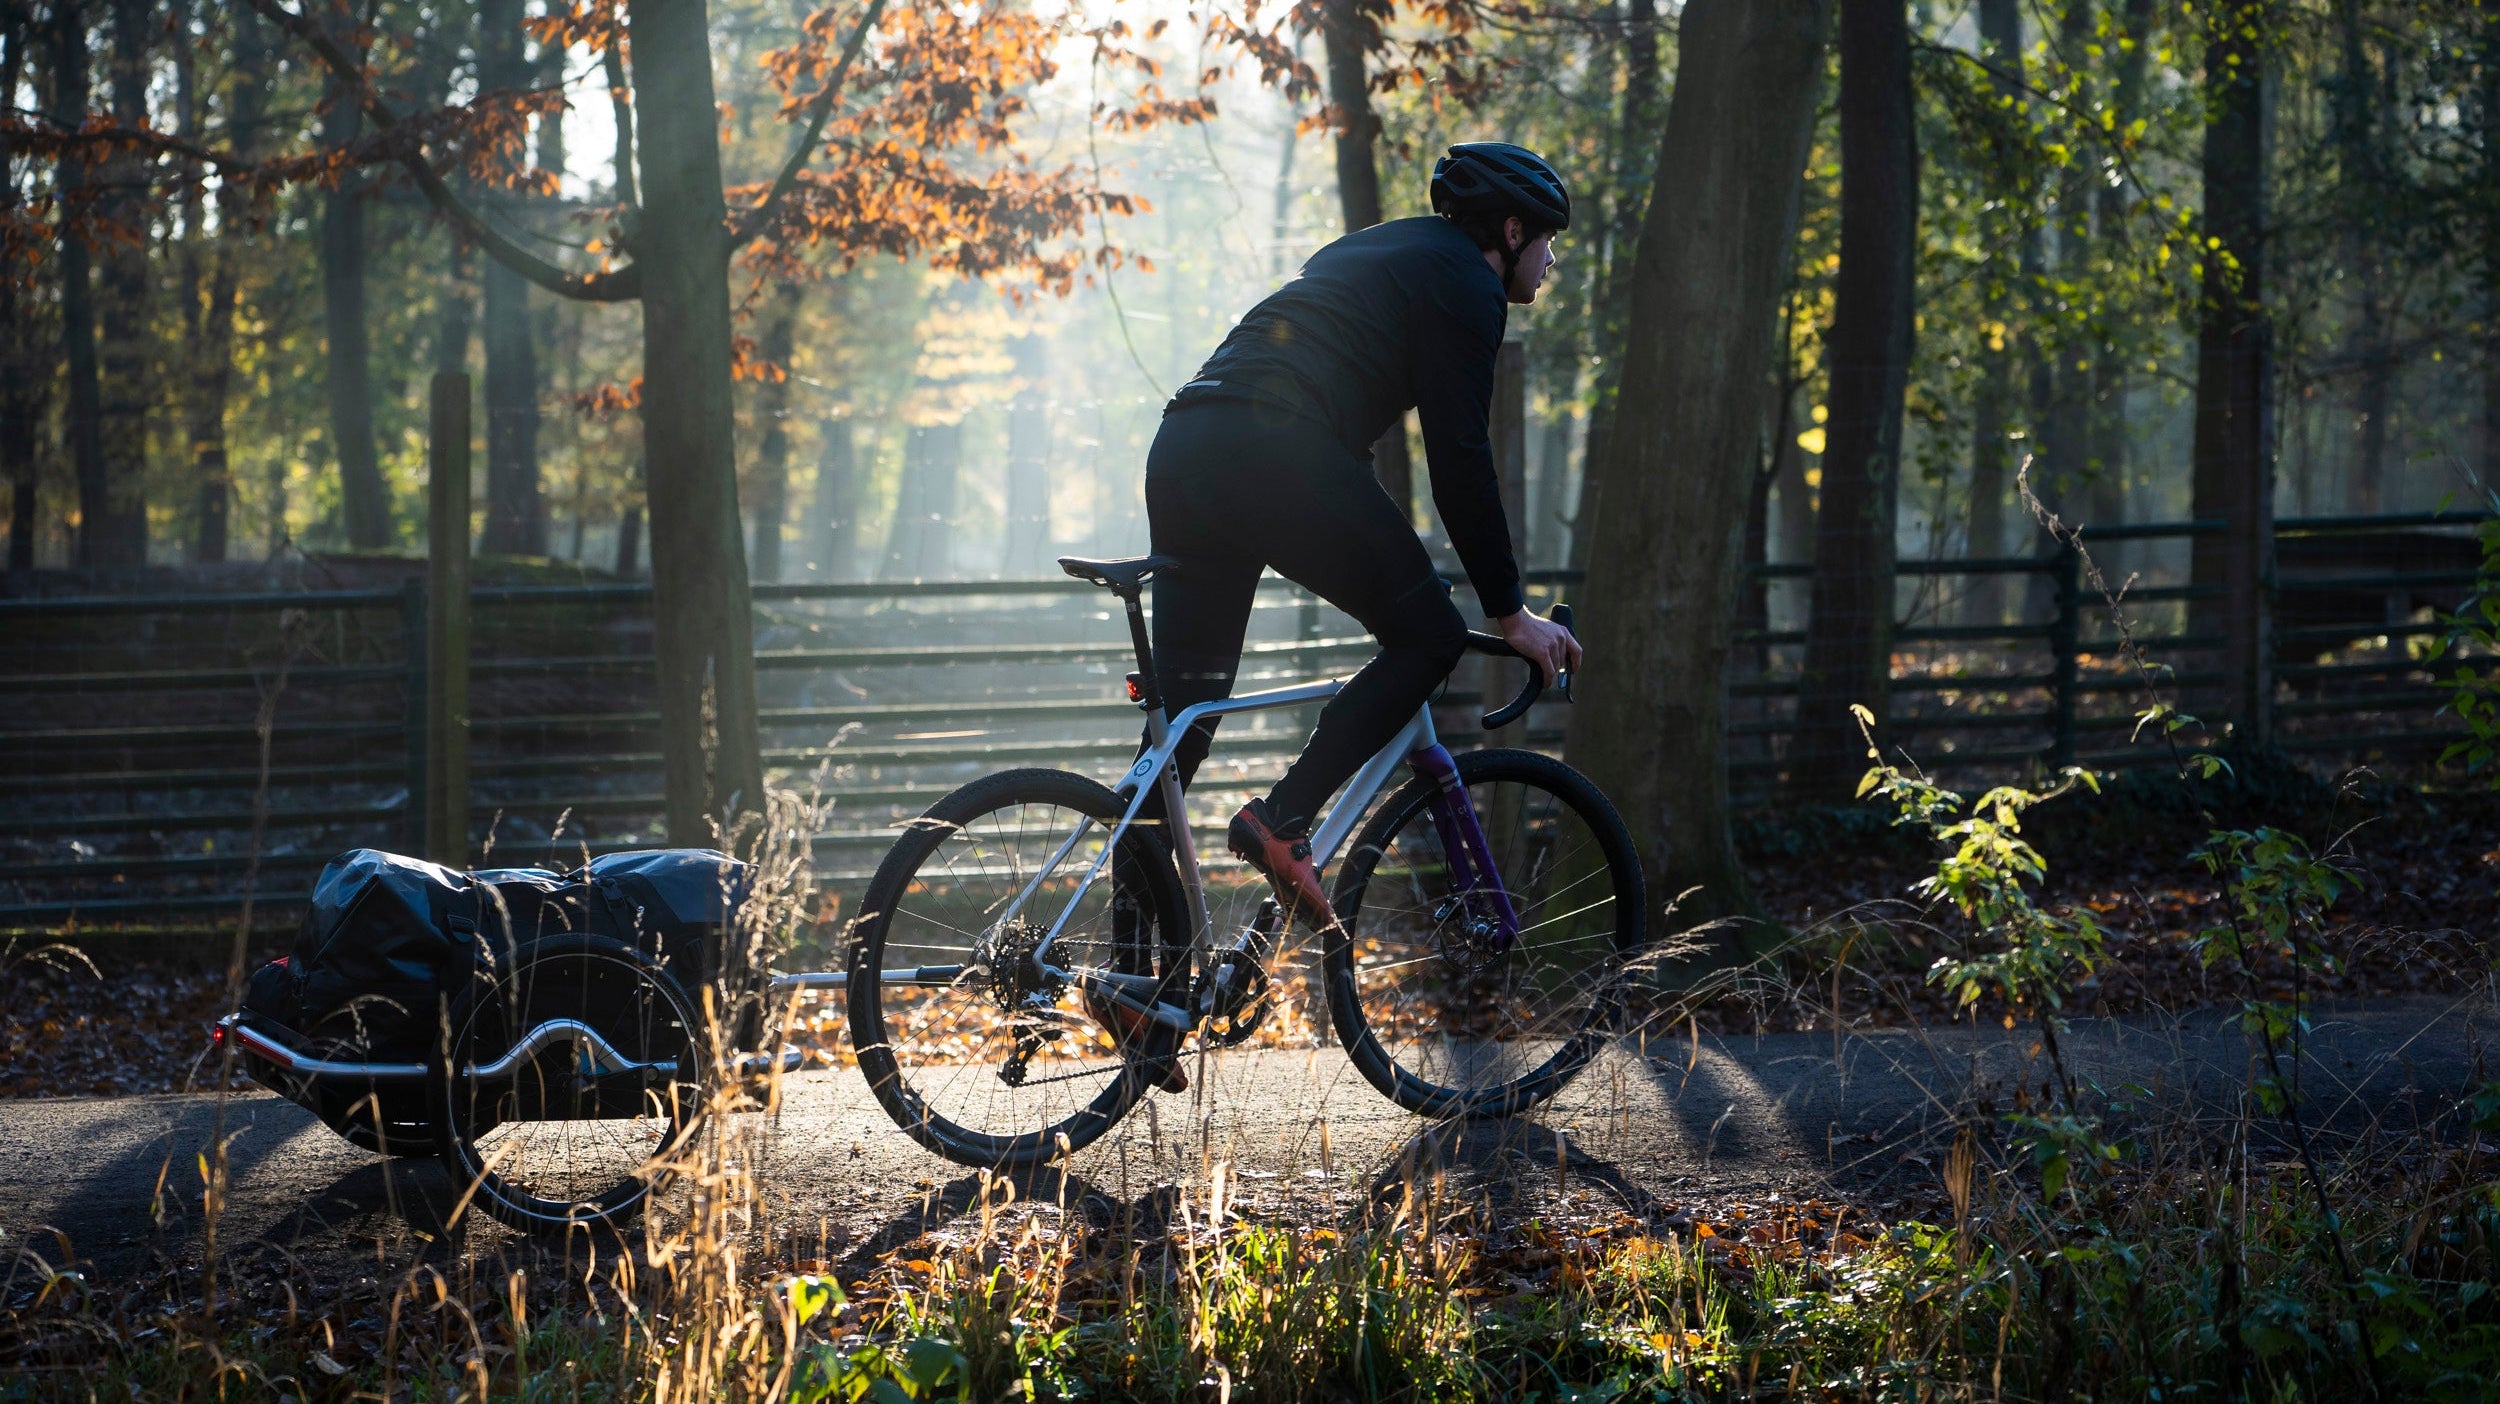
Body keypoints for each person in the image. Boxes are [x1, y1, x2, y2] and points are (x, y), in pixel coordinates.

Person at [1142, 140, 1585, 944]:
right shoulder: (1468, 283)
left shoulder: (1381, 248)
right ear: (1513, 231)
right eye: (1548, 239)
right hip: (1272, 449)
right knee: (1430, 634)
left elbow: (1341, 413)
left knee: (1181, 729)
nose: (1550, 261)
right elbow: (1460, 458)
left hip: (1186, 444)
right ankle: (1282, 820)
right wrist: (1509, 611)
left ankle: (1135, 976)